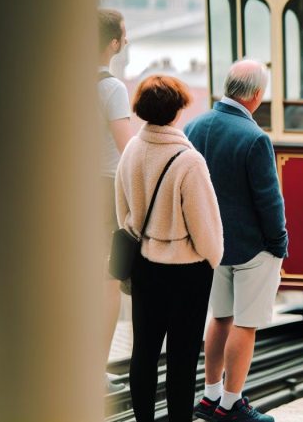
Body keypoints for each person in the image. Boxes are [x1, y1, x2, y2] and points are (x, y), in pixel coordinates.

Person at [115, 75, 224, 422]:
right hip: (187, 272)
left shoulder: (132, 150)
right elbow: (205, 226)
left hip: (144, 266)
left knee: (144, 353)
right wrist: (213, 257)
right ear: (177, 110)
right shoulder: (189, 160)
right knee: (182, 357)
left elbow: (122, 210)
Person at [186, 60, 288, 422]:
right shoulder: (255, 138)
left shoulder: (193, 127)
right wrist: (279, 243)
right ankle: (231, 405)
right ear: (257, 95)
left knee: (219, 318)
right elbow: (269, 200)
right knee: (245, 324)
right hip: (252, 248)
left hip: (211, 246)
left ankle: (210, 395)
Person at [98, 8, 133, 393]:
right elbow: (128, 149)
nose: (127, 40)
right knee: (107, 281)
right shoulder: (112, 88)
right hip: (105, 192)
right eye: (124, 34)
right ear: (113, 43)